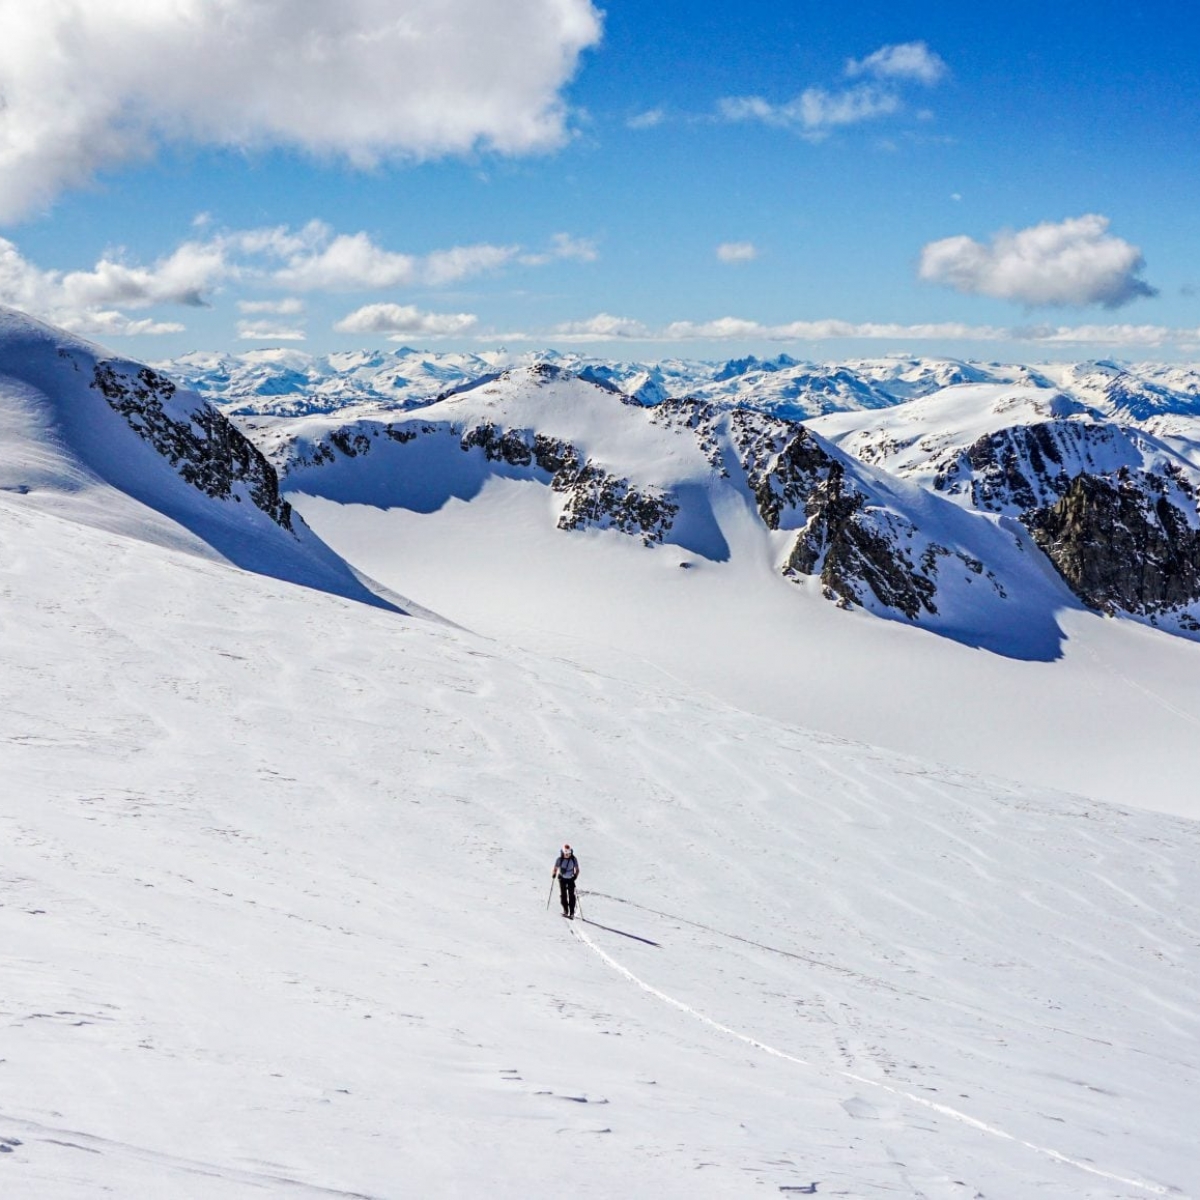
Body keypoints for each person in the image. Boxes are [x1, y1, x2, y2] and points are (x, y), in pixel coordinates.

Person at [553, 843, 579, 918]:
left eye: (569, 853)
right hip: (562, 879)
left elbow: (577, 869)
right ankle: (565, 910)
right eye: (566, 853)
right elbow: (555, 868)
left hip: (571, 879)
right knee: (563, 895)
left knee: (571, 895)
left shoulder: (573, 859)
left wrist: (575, 876)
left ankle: (571, 912)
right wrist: (554, 874)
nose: (567, 855)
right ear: (563, 852)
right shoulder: (559, 859)